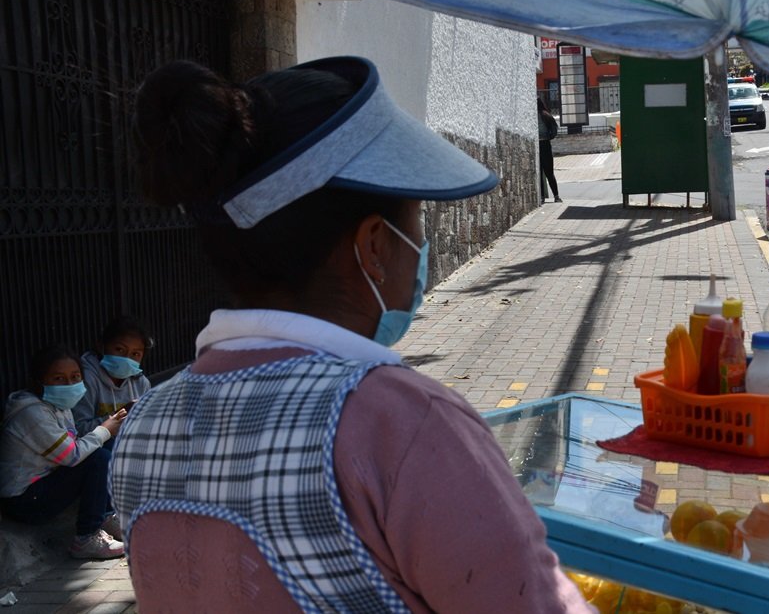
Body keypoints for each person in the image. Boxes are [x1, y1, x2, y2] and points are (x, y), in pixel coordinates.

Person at [110, 56, 591, 612]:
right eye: (416, 224)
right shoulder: (403, 421)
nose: (421, 245)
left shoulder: (147, 423)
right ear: (373, 248)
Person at [0, 344, 127, 559]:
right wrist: (105, 430)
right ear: (40, 381)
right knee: (99, 456)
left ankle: (107, 515)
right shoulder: (32, 414)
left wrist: (109, 427)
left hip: (47, 481)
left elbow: (76, 442)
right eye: (59, 379)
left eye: (75, 377)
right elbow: (72, 455)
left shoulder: (57, 405)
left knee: (106, 446)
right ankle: (86, 537)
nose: (69, 384)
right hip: (24, 500)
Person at [73, 315, 153, 441]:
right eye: (119, 349)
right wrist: (117, 417)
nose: (127, 358)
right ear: (101, 346)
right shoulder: (86, 380)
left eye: (135, 354)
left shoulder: (141, 383)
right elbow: (78, 431)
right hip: (95, 447)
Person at [537, 97, 562, 202]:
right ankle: (556, 196)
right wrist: (548, 137)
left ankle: (542, 197)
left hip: (537, 144)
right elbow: (554, 131)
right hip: (546, 144)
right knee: (549, 173)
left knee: (539, 172)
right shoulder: (547, 115)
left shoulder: (533, 116)